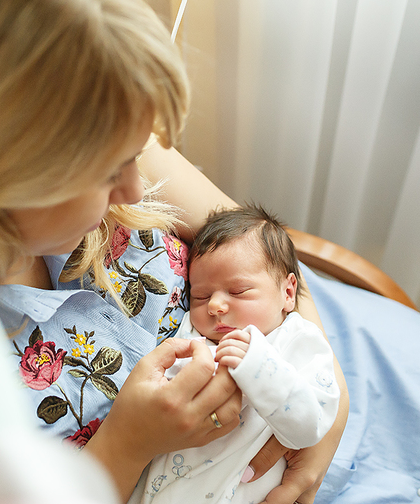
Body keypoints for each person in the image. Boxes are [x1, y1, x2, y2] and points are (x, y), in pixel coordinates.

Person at [0, 0, 420, 503]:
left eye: (137, 154)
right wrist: (124, 447)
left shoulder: (102, 119)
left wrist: (326, 392)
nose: (138, 188)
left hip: (369, 375)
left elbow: (261, 249)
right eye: (110, 172)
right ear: (2, 177)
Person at [142, 205, 340, 503]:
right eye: (201, 296)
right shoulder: (190, 335)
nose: (215, 306)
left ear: (287, 293)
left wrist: (260, 368)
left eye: (237, 292)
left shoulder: (299, 342)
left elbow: (309, 427)